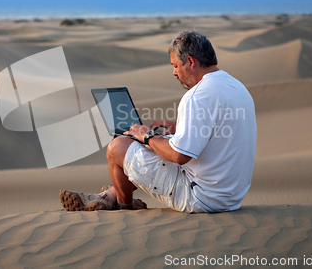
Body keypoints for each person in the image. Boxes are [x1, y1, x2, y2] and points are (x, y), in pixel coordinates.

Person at [60, 30, 257, 213]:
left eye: (175, 66)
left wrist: (146, 136)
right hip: (230, 196)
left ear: (190, 61)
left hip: (201, 197)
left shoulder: (197, 96)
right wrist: (178, 127)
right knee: (158, 145)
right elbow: (222, 132)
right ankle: (109, 194)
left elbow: (179, 156)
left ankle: (123, 207)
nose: (174, 73)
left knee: (118, 146)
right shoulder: (236, 87)